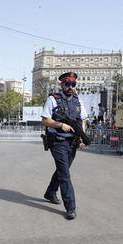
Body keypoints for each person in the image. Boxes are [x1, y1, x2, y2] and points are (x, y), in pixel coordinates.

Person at [41, 72, 87, 220]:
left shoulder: (78, 101)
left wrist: (81, 136)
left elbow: (83, 120)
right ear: (61, 84)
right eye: (67, 84)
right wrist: (60, 124)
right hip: (57, 141)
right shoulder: (52, 100)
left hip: (72, 142)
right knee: (65, 174)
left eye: (73, 84)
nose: (70, 87)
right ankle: (71, 207)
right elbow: (45, 120)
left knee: (63, 170)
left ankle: (50, 192)